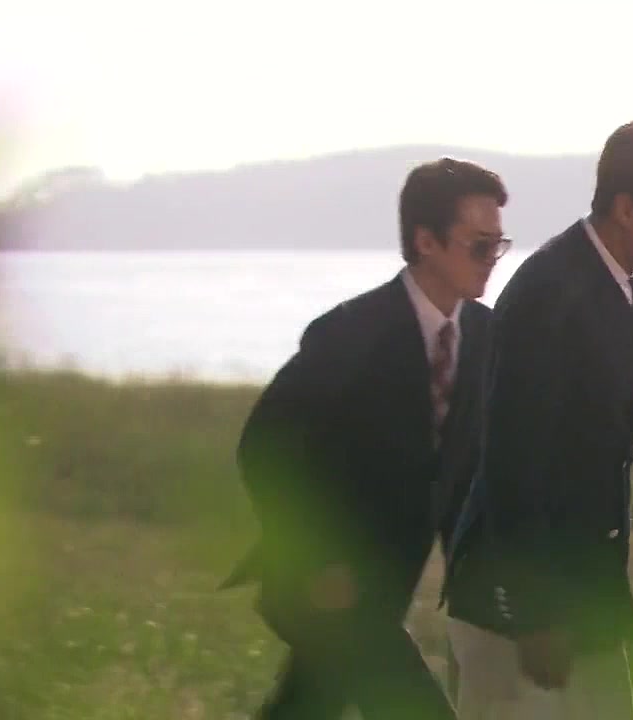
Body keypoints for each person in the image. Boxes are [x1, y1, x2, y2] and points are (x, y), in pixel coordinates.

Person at [440, 119, 633, 720]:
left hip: (583, 601)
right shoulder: (551, 292)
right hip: (518, 608)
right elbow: (512, 461)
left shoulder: (618, 291)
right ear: (626, 209)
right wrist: (535, 614)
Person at [220, 157, 512, 720]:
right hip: (320, 586)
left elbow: (458, 469)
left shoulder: (484, 336)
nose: (491, 261)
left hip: (384, 588)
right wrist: (318, 563)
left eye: (498, 246)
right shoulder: (350, 333)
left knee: (306, 706)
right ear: (425, 242)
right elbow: (265, 447)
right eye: (479, 246)